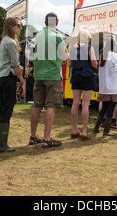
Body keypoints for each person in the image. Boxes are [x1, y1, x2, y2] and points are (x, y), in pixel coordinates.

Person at [29, 12, 69, 148]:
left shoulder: (38, 36)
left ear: (45, 22)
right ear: (56, 22)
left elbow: (32, 56)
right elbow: (64, 57)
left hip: (39, 74)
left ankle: (33, 136)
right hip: (52, 75)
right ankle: (46, 138)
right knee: (51, 105)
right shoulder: (58, 36)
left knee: (37, 105)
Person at [0, 17, 25, 153]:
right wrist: (22, 81)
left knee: (1, 109)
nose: (20, 28)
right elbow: (16, 65)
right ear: (11, 26)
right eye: (18, 25)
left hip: (0, 78)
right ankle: (2, 145)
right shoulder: (10, 42)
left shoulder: (5, 40)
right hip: (8, 78)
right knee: (7, 110)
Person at [68, 29, 98, 141]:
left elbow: (69, 64)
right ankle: (84, 131)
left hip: (75, 76)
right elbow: (94, 64)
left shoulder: (72, 48)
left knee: (75, 103)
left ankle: (74, 129)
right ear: (88, 38)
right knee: (85, 104)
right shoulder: (90, 48)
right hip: (87, 77)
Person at [93, 34, 117, 136]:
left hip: (104, 87)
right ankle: (106, 131)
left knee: (104, 108)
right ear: (114, 45)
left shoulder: (102, 56)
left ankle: (96, 128)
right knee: (111, 108)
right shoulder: (116, 56)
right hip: (114, 88)